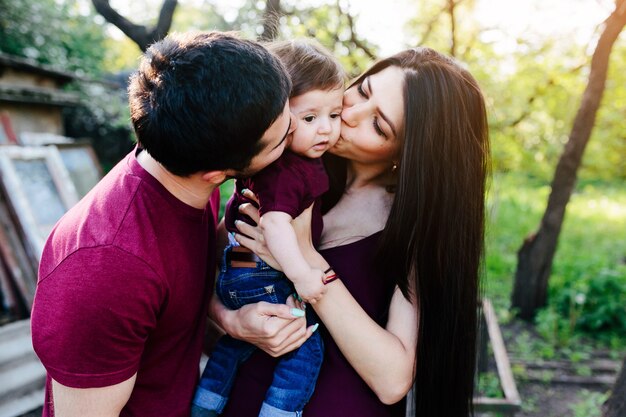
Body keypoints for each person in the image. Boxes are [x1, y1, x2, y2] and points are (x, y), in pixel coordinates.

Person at [29, 31, 316, 417]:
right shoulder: (105, 268)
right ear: (218, 173)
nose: (297, 130)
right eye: (283, 138)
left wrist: (229, 320)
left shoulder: (187, 167)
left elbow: (174, 296)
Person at [209, 47, 490, 417]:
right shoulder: (283, 169)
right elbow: (203, 269)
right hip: (241, 397)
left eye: (378, 125)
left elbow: (393, 381)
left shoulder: (416, 229)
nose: (350, 114)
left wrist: (306, 257)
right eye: (362, 91)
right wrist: (229, 321)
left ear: (407, 153)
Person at [192, 39, 345, 417]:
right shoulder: (288, 172)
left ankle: (206, 402)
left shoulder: (273, 161)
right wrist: (304, 274)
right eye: (309, 118)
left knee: (235, 345)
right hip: (259, 273)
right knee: (306, 346)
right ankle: (280, 411)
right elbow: (274, 225)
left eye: (335, 114)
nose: (325, 129)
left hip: (239, 269)